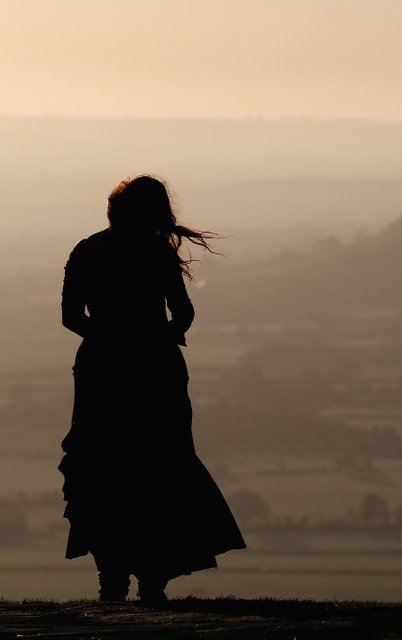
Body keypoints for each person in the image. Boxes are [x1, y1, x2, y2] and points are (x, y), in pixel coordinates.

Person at [58, 175, 245, 602]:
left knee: (101, 468)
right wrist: (157, 339)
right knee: (161, 467)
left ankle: (112, 580)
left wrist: (108, 338)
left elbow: (71, 317)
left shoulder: (86, 251)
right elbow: (183, 312)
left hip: (101, 370)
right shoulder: (156, 252)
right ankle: (152, 581)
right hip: (155, 369)